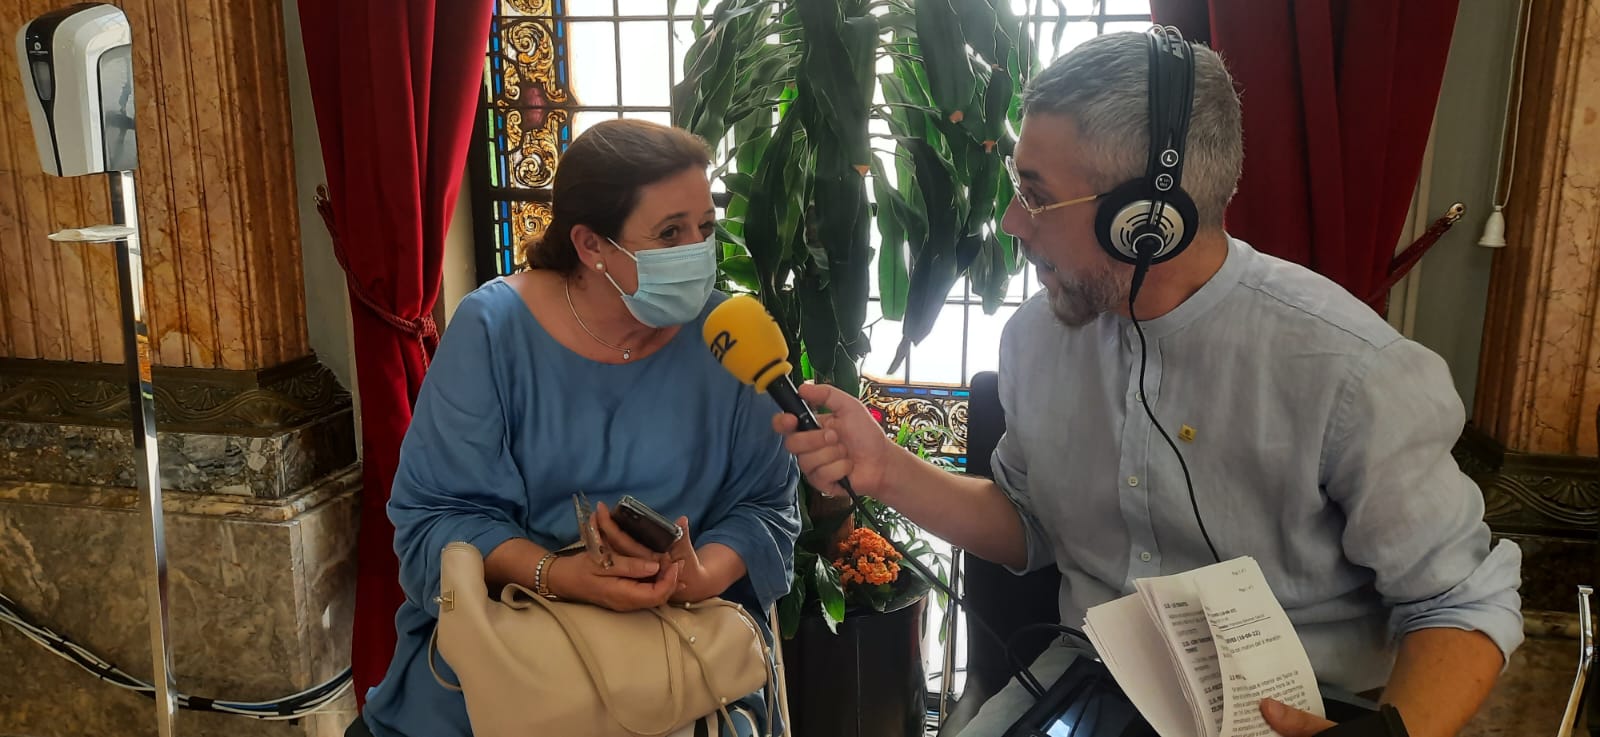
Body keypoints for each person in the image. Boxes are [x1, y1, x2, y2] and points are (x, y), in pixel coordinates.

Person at [773, 30, 1522, 737]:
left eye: (1035, 194)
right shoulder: (1037, 338)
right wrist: (885, 470)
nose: (1010, 222)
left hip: (1295, 713)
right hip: (1087, 689)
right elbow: (1028, 522)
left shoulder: (1352, 368)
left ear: (1147, 221)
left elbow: (1462, 600)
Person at [354, 119, 801, 737]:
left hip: (684, 650)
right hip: (510, 647)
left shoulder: (731, 337)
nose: (697, 251)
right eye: (669, 232)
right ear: (591, 245)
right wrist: (560, 575)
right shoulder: (492, 331)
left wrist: (700, 575)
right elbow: (435, 520)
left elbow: (766, 510)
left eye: (704, 228)